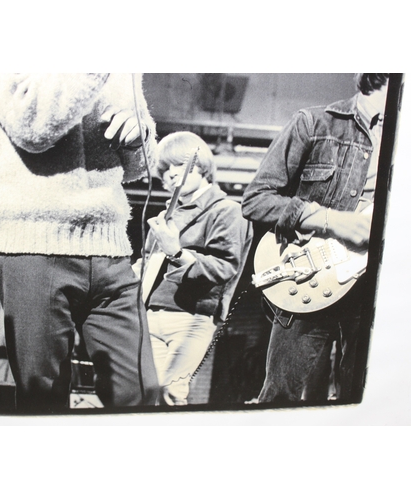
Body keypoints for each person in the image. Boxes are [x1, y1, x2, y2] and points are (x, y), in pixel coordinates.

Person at [0, 73, 160, 412]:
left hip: (111, 250)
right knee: (43, 403)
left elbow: (136, 168)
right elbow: (32, 126)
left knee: (141, 393)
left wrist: (139, 135)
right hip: (34, 247)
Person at [241, 73, 389, 403]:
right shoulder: (314, 123)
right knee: (280, 398)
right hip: (312, 275)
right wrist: (330, 220)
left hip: (375, 287)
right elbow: (256, 200)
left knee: (363, 402)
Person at [135, 131, 253, 405]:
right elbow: (146, 263)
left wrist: (176, 252)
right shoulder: (165, 216)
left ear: (201, 166)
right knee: (146, 396)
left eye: (178, 164)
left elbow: (223, 267)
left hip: (190, 315)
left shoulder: (226, 210)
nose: (171, 174)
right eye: (164, 169)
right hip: (150, 315)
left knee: (170, 394)